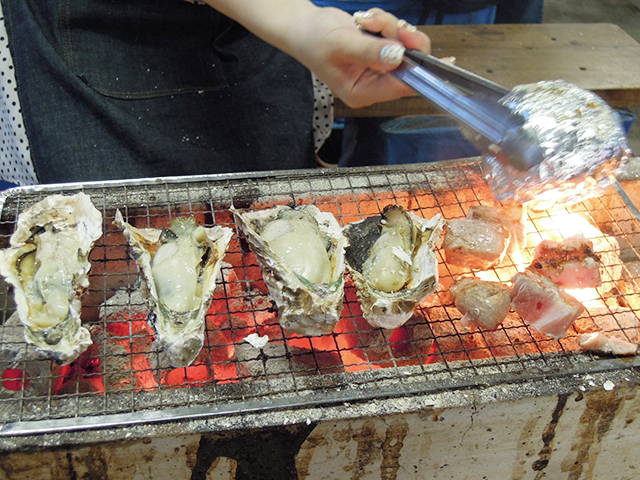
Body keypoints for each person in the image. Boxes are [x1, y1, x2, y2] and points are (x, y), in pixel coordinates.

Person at [0, 0, 430, 184]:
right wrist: (304, 25)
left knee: (269, 219)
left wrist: (304, 25)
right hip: (91, 39)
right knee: (106, 257)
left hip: (256, 33)